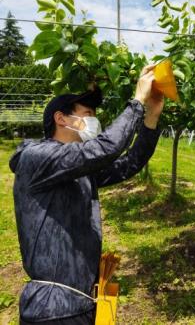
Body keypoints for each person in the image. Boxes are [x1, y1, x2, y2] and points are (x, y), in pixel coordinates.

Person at [9, 65, 164, 324]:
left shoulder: (75, 169)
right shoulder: (37, 158)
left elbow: (129, 164)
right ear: (61, 119)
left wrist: (151, 116)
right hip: (54, 310)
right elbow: (108, 148)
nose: (94, 120)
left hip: (81, 303)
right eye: (88, 113)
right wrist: (137, 101)